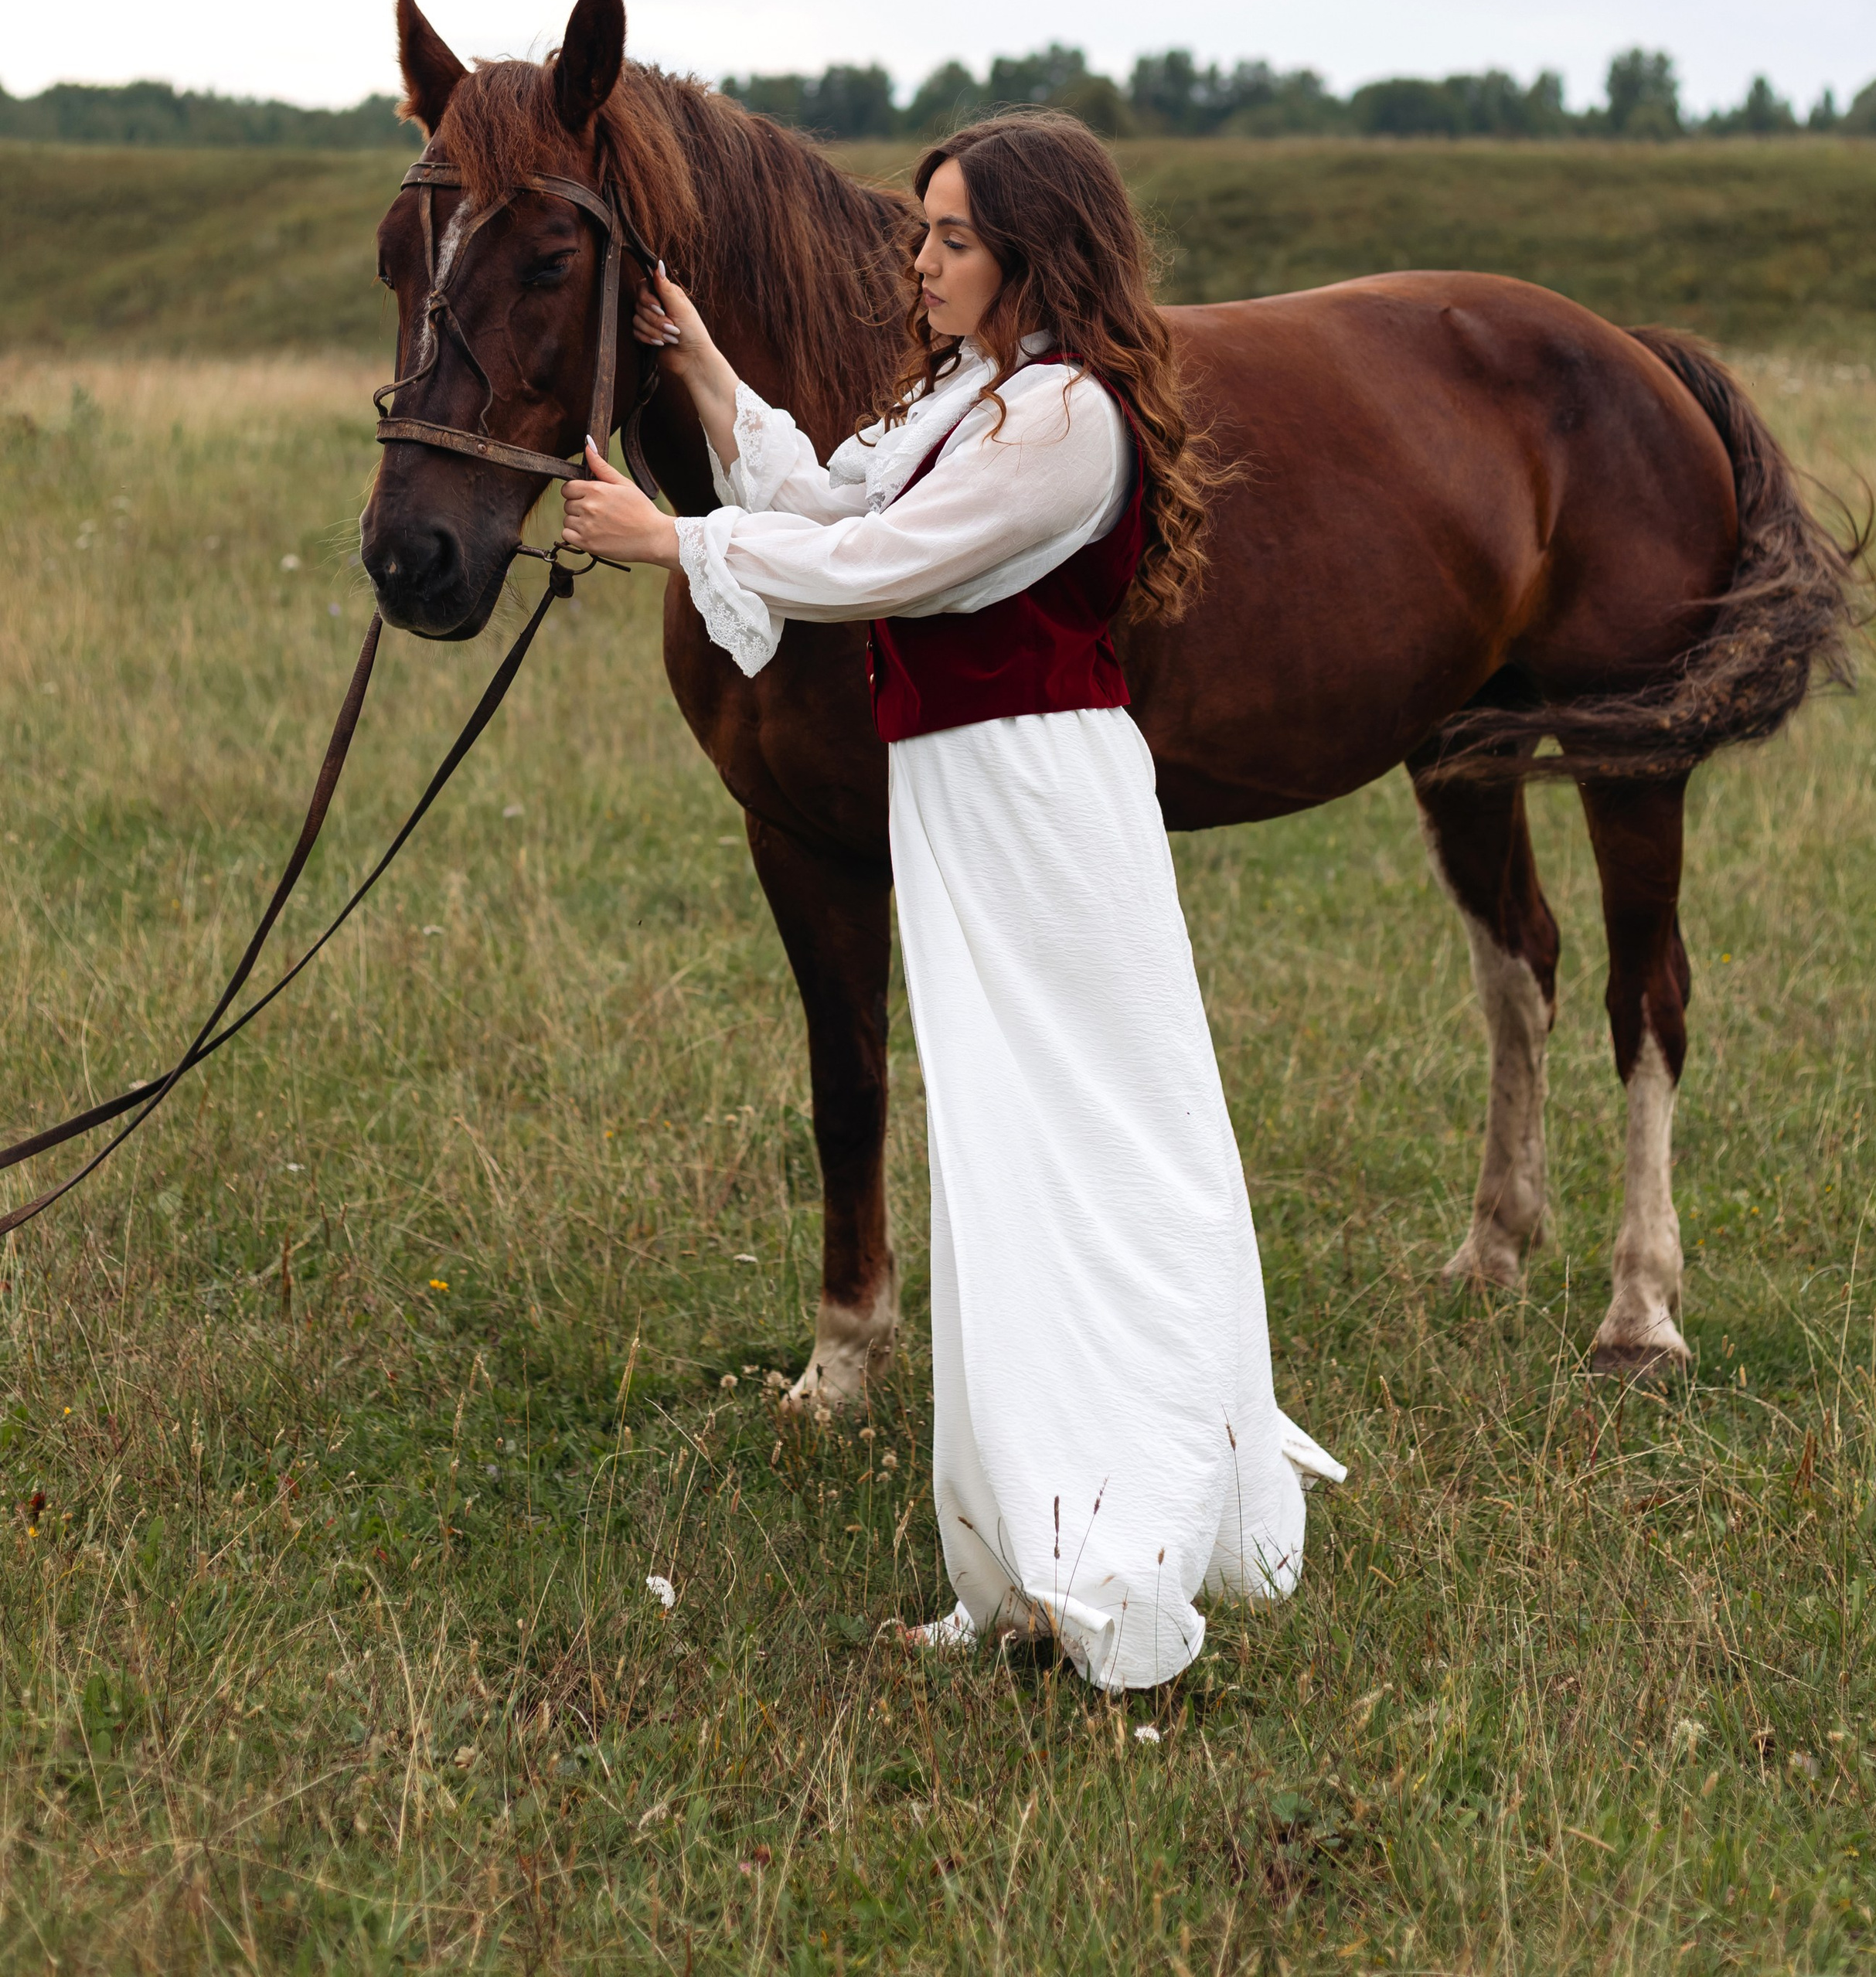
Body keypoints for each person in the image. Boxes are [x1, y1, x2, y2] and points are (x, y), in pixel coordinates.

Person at [563, 109, 1341, 1689]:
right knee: (995, 1159)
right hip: (967, 795)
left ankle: (1114, 1543)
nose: (916, 262)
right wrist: (704, 368)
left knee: (1083, 1145)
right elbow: (835, 497)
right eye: (921, 232)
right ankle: (1022, 1548)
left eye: (951, 240)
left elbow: (880, 571)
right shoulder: (972, 395)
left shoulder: (1065, 420)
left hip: (1042, 800)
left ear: (1033, 256)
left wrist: (669, 538)